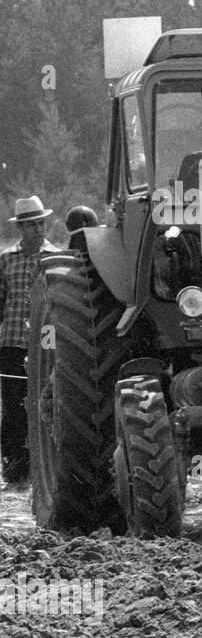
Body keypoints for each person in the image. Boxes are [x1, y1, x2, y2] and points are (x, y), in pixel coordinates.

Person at [0, 196, 60, 486]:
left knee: (47, 395)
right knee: (13, 402)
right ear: (20, 228)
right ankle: (15, 459)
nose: (37, 230)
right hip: (12, 338)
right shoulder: (6, 259)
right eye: (30, 225)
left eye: (40, 224)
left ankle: (46, 461)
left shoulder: (57, 257)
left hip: (46, 338)